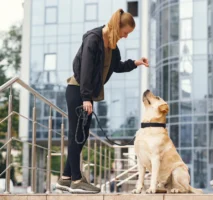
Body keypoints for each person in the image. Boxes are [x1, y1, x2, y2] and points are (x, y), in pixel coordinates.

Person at [55, 8, 149, 194]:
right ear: (117, 26)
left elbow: (117, 67)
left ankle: (65, 178)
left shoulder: (112, 46)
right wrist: (86, 97)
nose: (126, 36)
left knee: (81, 135)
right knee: (77, 135)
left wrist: (135, 63)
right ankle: (76, 180)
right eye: (125, 32)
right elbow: (85, 70)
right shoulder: (93, 39)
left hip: (85, 94)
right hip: (77, 91)